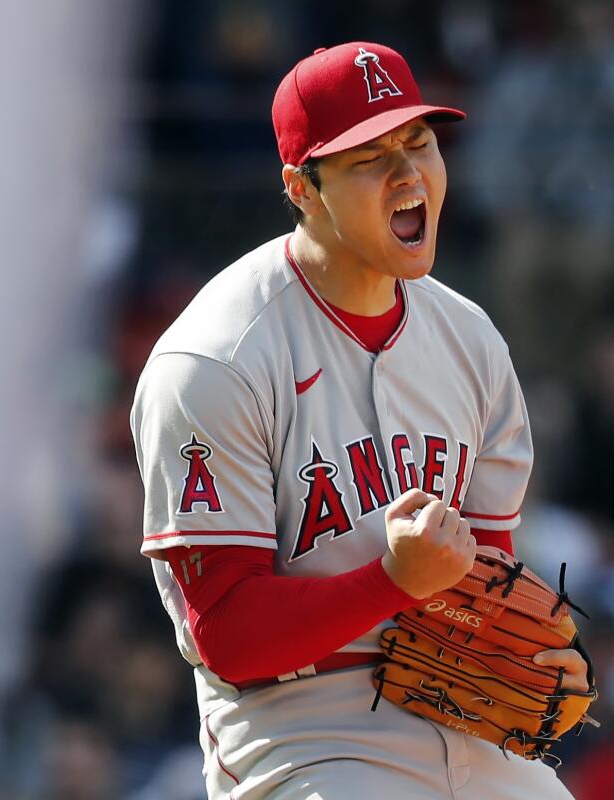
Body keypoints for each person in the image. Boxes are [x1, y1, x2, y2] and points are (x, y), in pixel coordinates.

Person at [131, 41, 590, 799]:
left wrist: (540, 655)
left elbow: (485, 582)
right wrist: (391, 581)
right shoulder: (216, 360)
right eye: (368, 158)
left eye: (419, 142)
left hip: (457, 708)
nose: (409, 174)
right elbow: (229, 636)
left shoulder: (470, 341)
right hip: (303, 728)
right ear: (302, 188)